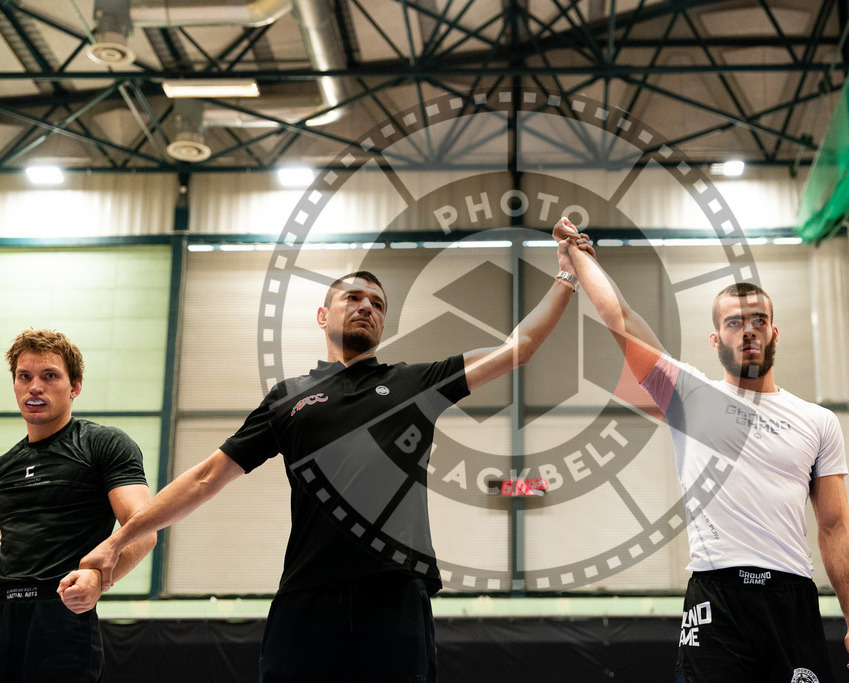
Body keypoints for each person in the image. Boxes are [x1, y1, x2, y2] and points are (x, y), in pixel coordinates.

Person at [78, 223, 594, 682]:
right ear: (324, 314)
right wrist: (116, 543)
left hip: (393, 595)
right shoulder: (286, 398)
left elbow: (516, 349)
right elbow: (205, 479)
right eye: (353, 297)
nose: (366, 305)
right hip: (308, 596)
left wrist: (566, 276)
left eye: (377, 303)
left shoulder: (414, 382)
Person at [555, 219, 849, 682]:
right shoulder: (690, 397)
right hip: (716, 597)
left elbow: (834, 525)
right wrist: (580, 260)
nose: (748, 331)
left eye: (758, 321)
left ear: (774, 334)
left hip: (791, 599)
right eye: (734, 323)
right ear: (716, 339)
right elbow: (621, 319)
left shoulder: (818, 421)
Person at [0, 329, 155, 683]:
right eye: (24, 377)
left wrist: (100, 578)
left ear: (75, 387)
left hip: (62, 616)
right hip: (5, 613)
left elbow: (144, 530)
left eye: (49, 376)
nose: (34, 387)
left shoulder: (103, 444)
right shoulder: (5, 466)